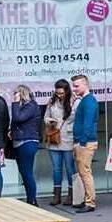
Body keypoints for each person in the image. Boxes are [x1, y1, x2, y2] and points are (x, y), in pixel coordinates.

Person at [43, 79, 76, 207]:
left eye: (62, 93)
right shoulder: (52, 101)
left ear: (67, 91)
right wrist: (49, 120)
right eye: (57, 93)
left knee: (69, 168)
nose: (59, 95)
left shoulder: (73, 101)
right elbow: (45, 116)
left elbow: (76, 118)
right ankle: (56, 194)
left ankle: (71, 194)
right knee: (56, 169)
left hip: (68, 137)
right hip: (54, 138)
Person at [71, 74, 99, 213]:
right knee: (84, 172)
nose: (74, 89)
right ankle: (88, 200)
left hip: (85, 143)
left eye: (77, 86)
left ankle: (90, 202)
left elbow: (88, 124)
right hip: (84, 141)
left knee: (85, 173)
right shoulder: (86, 101)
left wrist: (81, 142)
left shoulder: (88, 101)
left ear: (85, 85)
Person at [10, 85, 41, 206]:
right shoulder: (24, 107)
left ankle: (32, 200)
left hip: (27, 142)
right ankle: (30, 198)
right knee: (23, 172)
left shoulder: (31, 106)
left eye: (16, 93)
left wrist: (15, 103)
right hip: (19, 141)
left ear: (21, 94)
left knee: (27, 172)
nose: (14, 96)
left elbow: (18, 118)